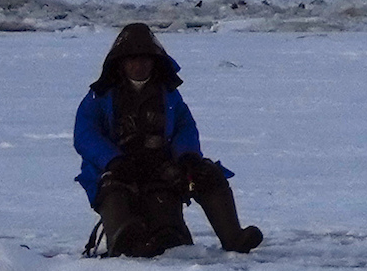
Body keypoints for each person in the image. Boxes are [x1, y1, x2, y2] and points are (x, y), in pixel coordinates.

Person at [70, 20, 264, 256]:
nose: (139, 65)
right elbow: (85, 135)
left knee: (203, 182)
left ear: (154, 60)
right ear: (120, 62)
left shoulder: (169, 93)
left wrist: (189, 156)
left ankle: (234, 237)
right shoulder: (99, 96)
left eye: (145, 58)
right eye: (132, 59)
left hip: (161, 169)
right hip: (115, 173)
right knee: (125, 234)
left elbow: (185, 126)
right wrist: (113, 161)